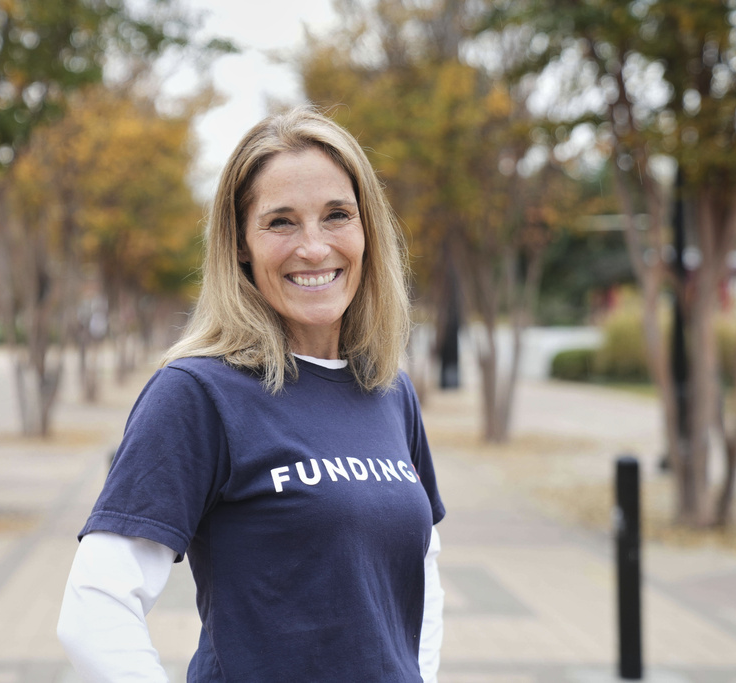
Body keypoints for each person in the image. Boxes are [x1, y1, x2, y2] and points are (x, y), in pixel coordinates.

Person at [57, 106, 446, 682]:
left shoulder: (389, 389)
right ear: (240, 244)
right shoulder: (199, 394)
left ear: (367, 230)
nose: (313, 247)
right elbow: (96, 607)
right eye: (281, 222)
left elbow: (423, 572)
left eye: (337, 215)